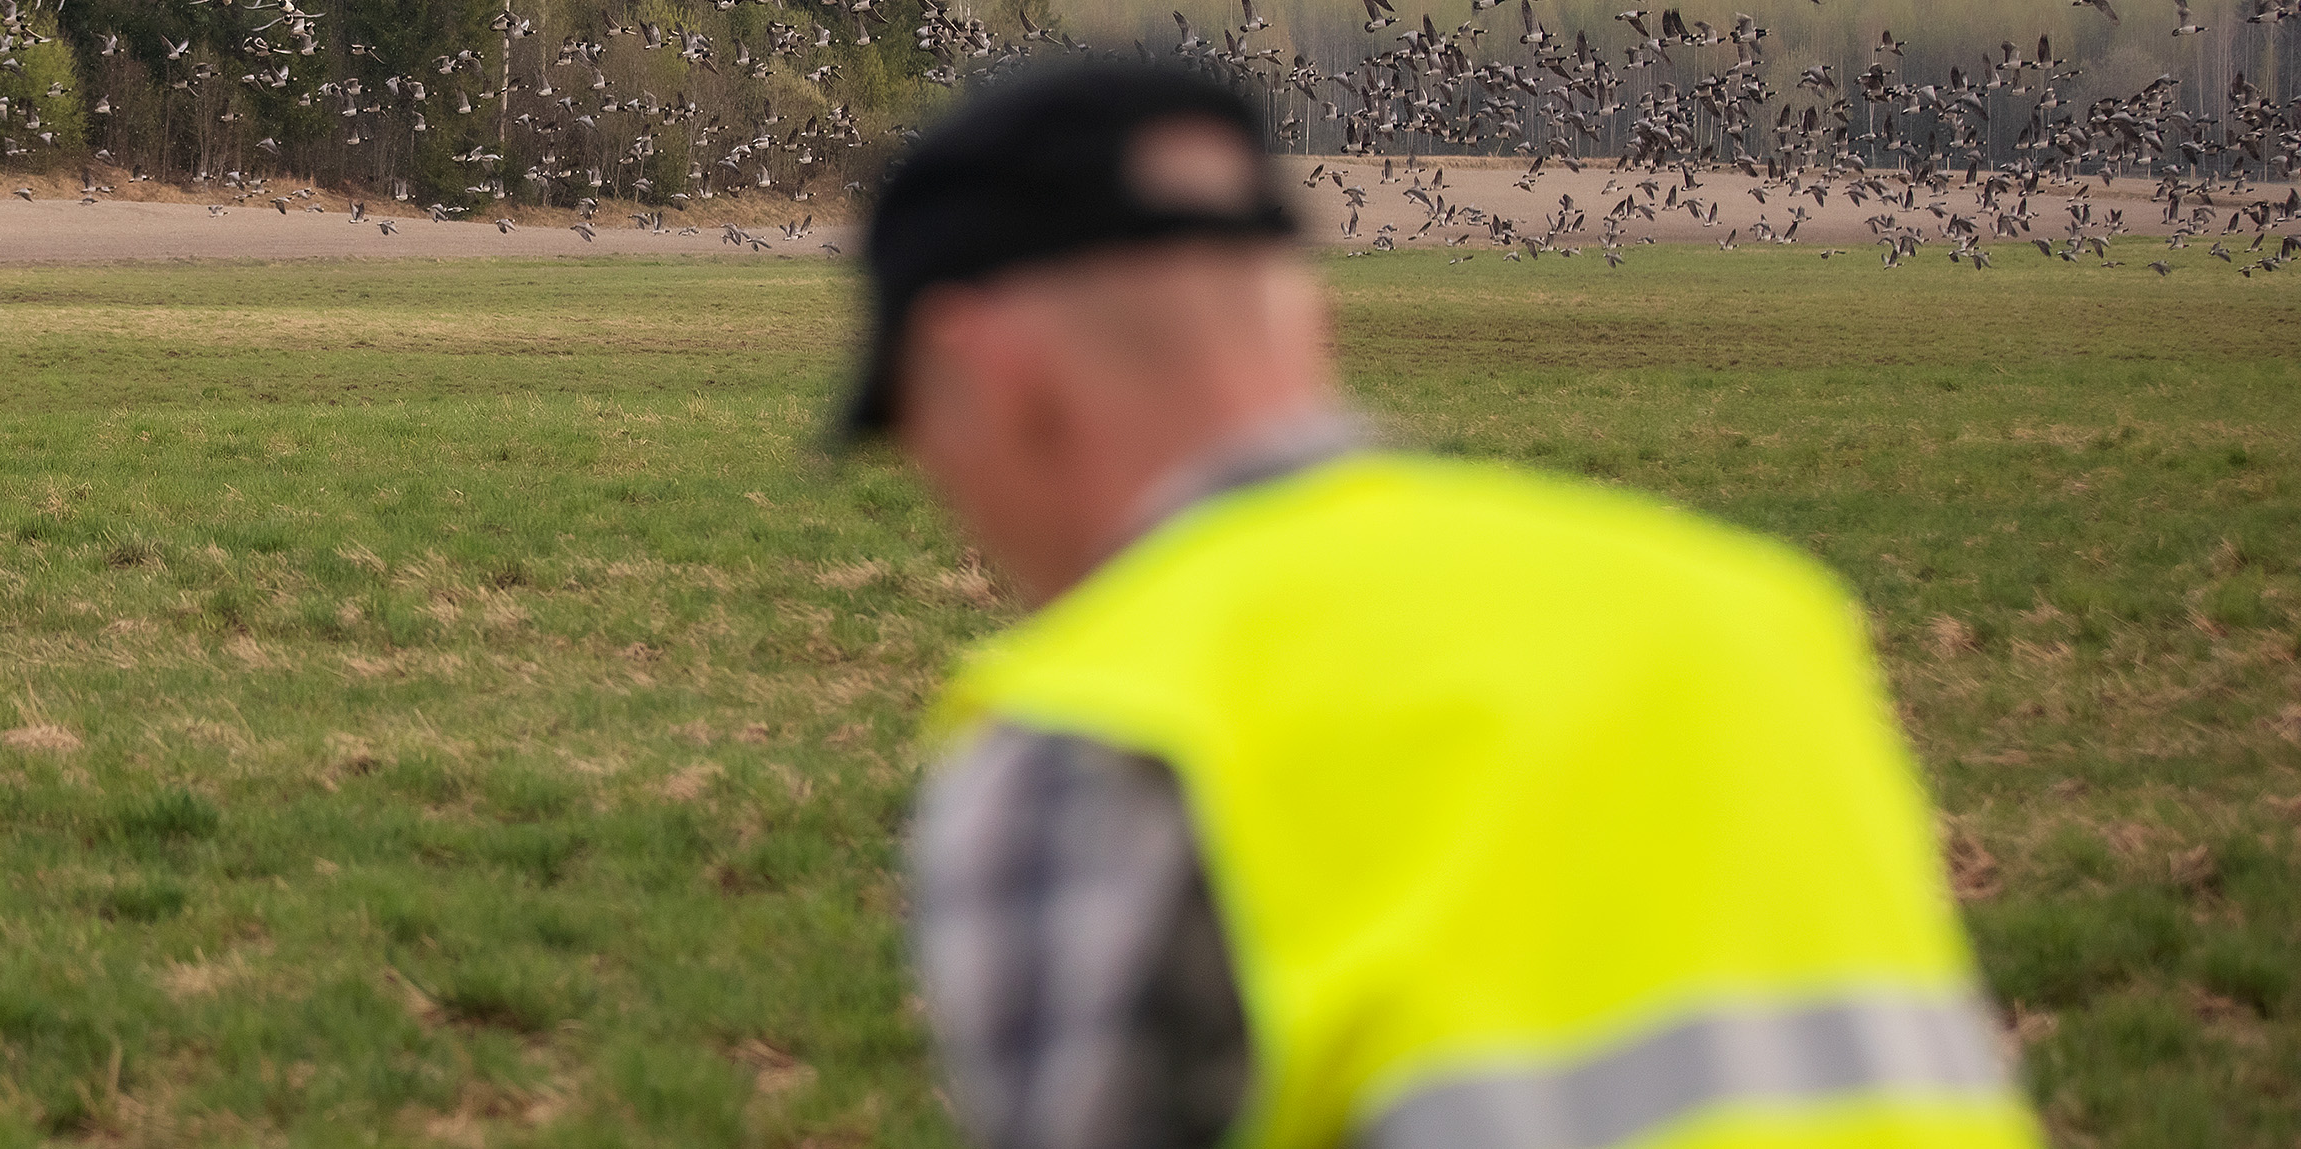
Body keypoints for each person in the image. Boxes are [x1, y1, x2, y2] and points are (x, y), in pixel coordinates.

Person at [837, 60, 2034, 1149]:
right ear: (1302, 313)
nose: (938, 490)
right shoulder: (1760, 617)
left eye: (908, 428)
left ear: (985, 375)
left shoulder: (1104, 740)